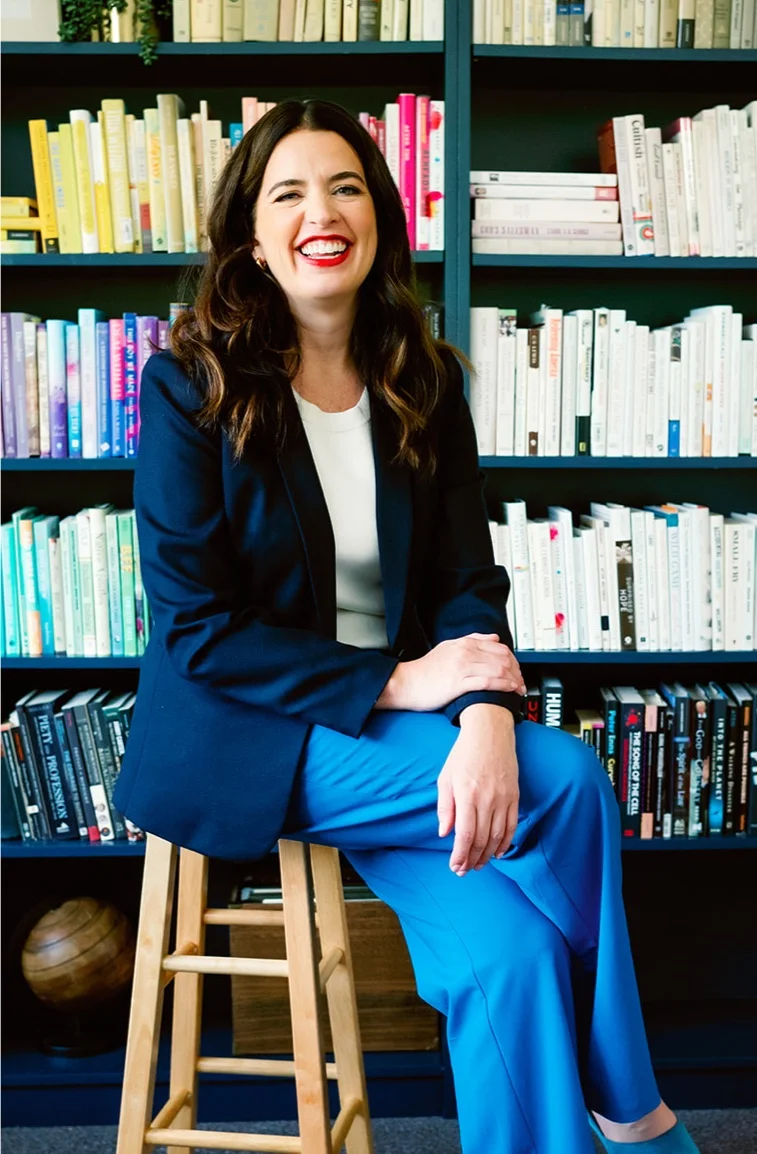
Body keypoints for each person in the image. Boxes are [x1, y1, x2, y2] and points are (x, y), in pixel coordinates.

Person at [113, 99, 700, 1154]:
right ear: (252, 234)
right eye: (286, 192)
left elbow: (468, 581)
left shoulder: (421, 381)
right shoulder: (188, 386)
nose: (320, 211)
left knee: (509, 953)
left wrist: (479, 715)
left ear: (378, 215)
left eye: (343, 186)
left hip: (401, 737)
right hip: (250, 732)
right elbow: (197, 628)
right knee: (564, 777)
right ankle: (634, 1106)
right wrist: (405, 684)